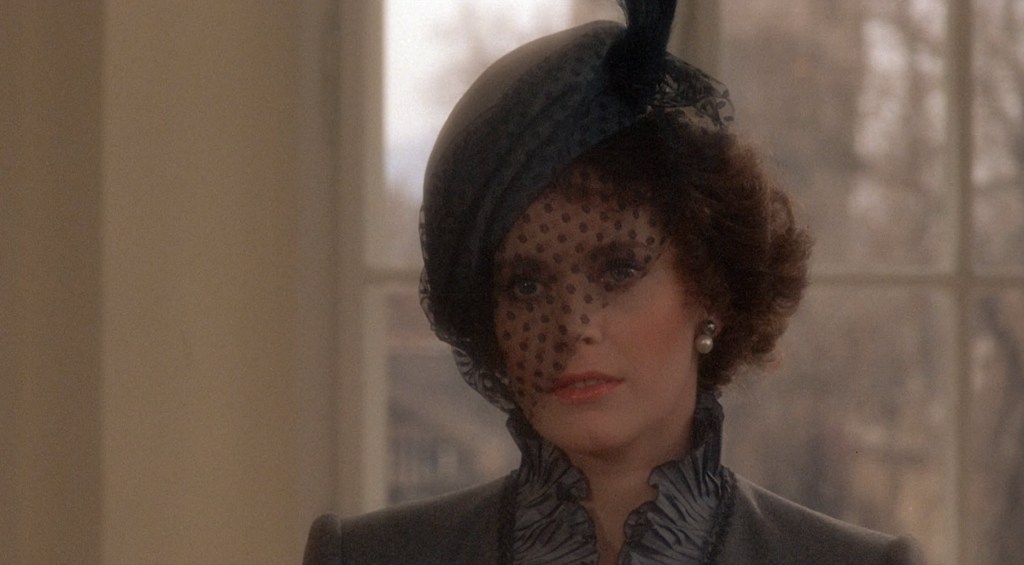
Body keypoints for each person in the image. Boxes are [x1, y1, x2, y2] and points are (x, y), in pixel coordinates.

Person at [304, 1, 925, 563]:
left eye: (618, 271)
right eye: (526, 285)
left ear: (710, 288)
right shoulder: (365, 558)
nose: (572, 326)